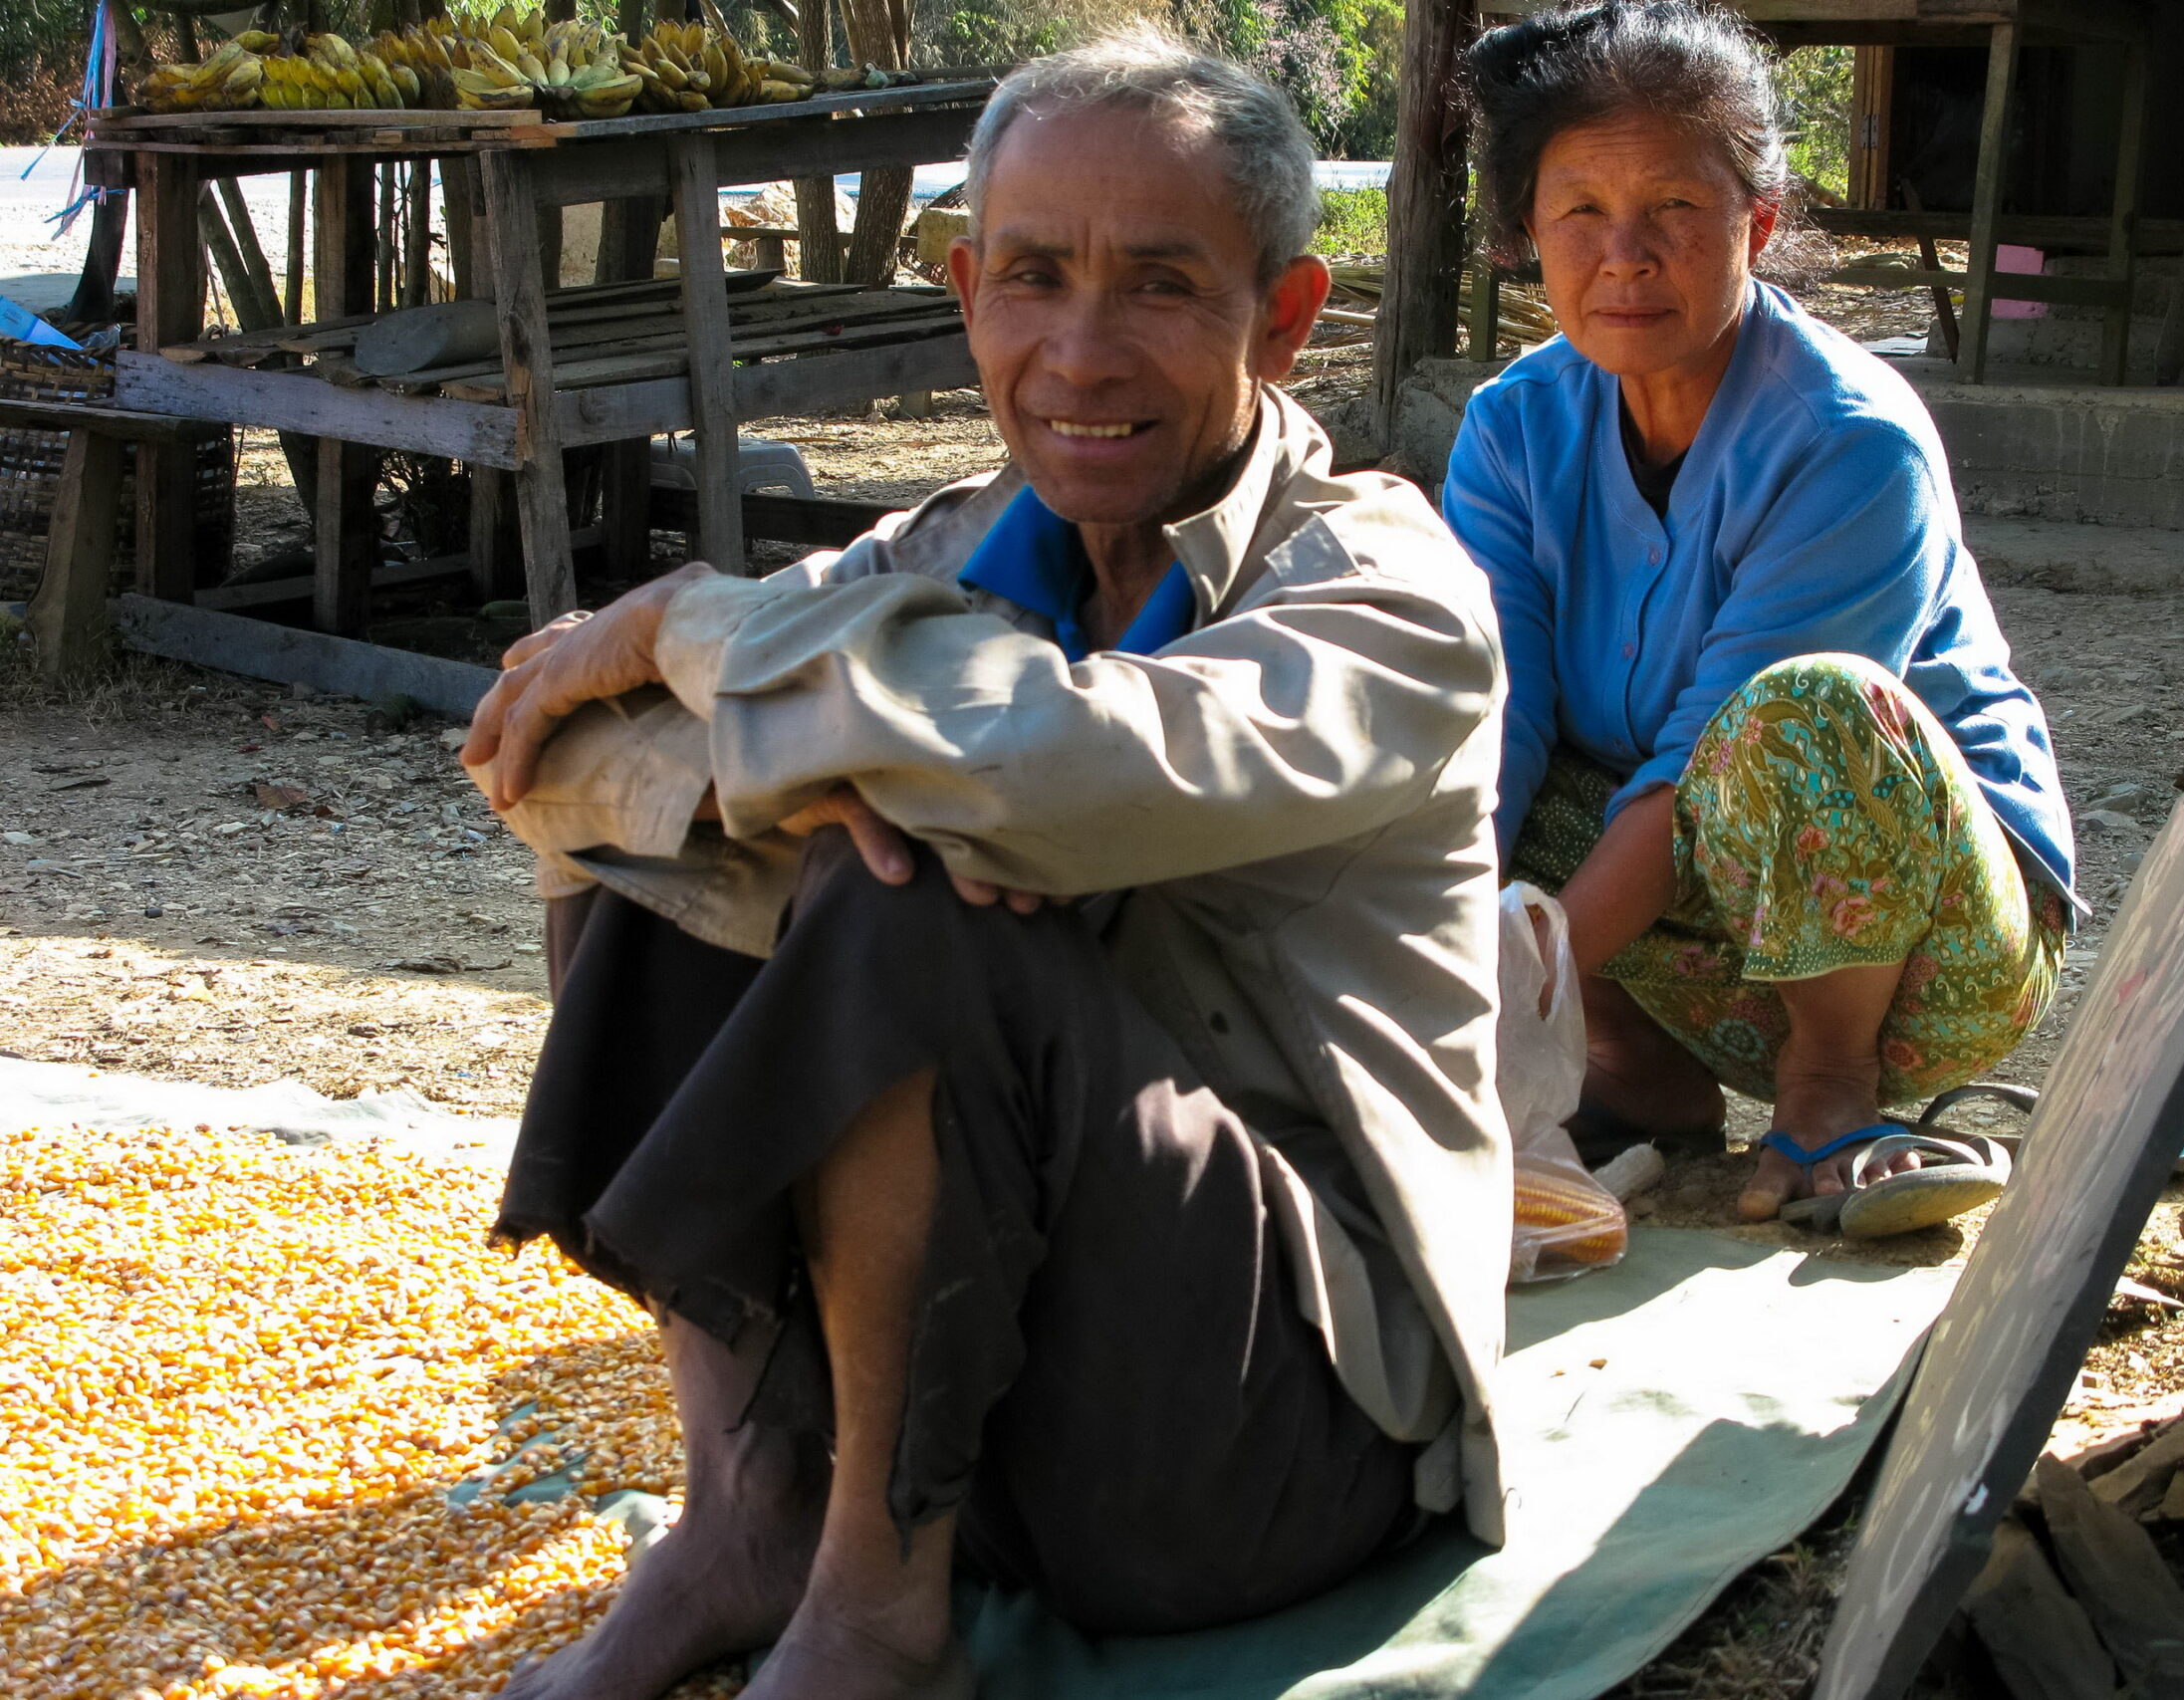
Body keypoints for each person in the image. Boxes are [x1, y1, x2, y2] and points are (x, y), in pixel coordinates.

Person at [460, 34, 1510, 1700]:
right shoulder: (947, 548)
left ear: (1286, 317)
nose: (1081, 352)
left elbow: (1057, 765)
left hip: (1261, 1442)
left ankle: (879, 1611)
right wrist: (778, 770)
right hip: (986, 1392)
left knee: (910, 886)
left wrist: (704, 644)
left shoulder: (1388, 596)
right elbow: (544, 752)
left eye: (1160, 285)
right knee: (715, 834)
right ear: (967, 295)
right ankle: (751, 1504)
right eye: (1032, 277)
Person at [1440, 0, 2077, 1234]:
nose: (1625, 254)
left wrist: (1504, 993)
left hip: (1931, 960)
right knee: (1436, 748)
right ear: (1527, 234)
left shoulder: (1849, 442)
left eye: (1674, 207)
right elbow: (1488, 720)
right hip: (1702, 950)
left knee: (1806, 709)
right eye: (1580, 212)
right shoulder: (1511, 428)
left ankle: (1828, 1087)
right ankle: (1633, 1073)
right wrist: (1437, 970)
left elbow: (1697, 767)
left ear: (1758, 224)